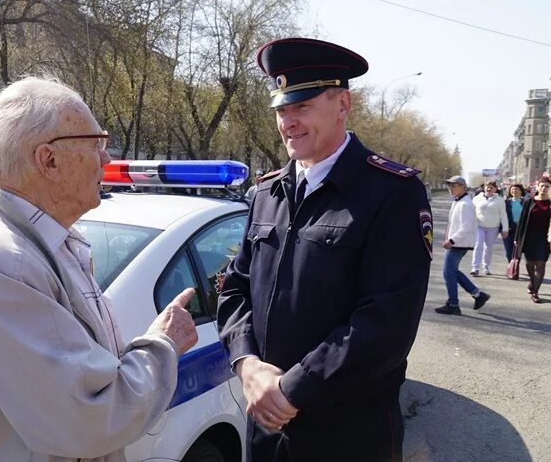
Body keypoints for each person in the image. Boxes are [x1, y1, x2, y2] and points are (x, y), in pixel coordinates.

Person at [0, 77, 198, 461]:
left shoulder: (44, 242)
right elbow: (89, 418)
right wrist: (162, 344)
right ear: (48, 159)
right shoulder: (4, 264)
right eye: (97, 144)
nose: (107, 159)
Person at [216, 38, 432, 461]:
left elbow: (386, 322)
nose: (288, 122)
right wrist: (248, 365)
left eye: (302, 106)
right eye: (282, 109)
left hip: (347, 433)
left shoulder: (392, 193)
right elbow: (235, 287)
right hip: (267, 428)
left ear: (343, 104)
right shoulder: (267, 192)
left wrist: (291, 389)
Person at [435, 175, 491, 315]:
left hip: (458, 244)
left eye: (454, 185)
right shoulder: (459, 201)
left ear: (462, 187)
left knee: (448, 273)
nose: (450, 188)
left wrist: (451, 240)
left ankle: (453, 304)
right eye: (449, 185)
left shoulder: (465, 204)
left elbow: (465, 227)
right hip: (457, 243)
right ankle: (478, 295)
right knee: (452, 272)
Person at [513, 174, 551, 304]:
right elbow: (522, 220)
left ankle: (535, 292)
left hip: (544, 239)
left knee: (541, 264)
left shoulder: (550, 203)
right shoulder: (530, 201)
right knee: (529, 263)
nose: (544, 189)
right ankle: (532, 280)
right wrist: (517, 238)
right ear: (538, 187)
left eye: (547, 186)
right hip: (528, 237)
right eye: (542, 186)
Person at [470, 180, 509, 275]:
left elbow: (503, 215)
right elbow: (471, 212)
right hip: (479, 226)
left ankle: (485, 266)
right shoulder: (476, 198)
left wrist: (505, 229)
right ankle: (475, 267)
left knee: (488, 248)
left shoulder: (499, 200)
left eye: (491, 187)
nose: (489, 189)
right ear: (484, 187)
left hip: (493, 227)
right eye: (487, 186)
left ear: (495, 189)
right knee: (478, 245)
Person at [503, 183, 526, 261]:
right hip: (509, 230)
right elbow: (502, 216)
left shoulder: (526, 202)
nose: (514, 191)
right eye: (512, 189)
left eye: (517, 189)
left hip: (521, 230)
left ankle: (515, 268)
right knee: (509, 252)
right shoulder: (506, 203)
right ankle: (511, 266)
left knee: (518, 251)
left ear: (521, 191)